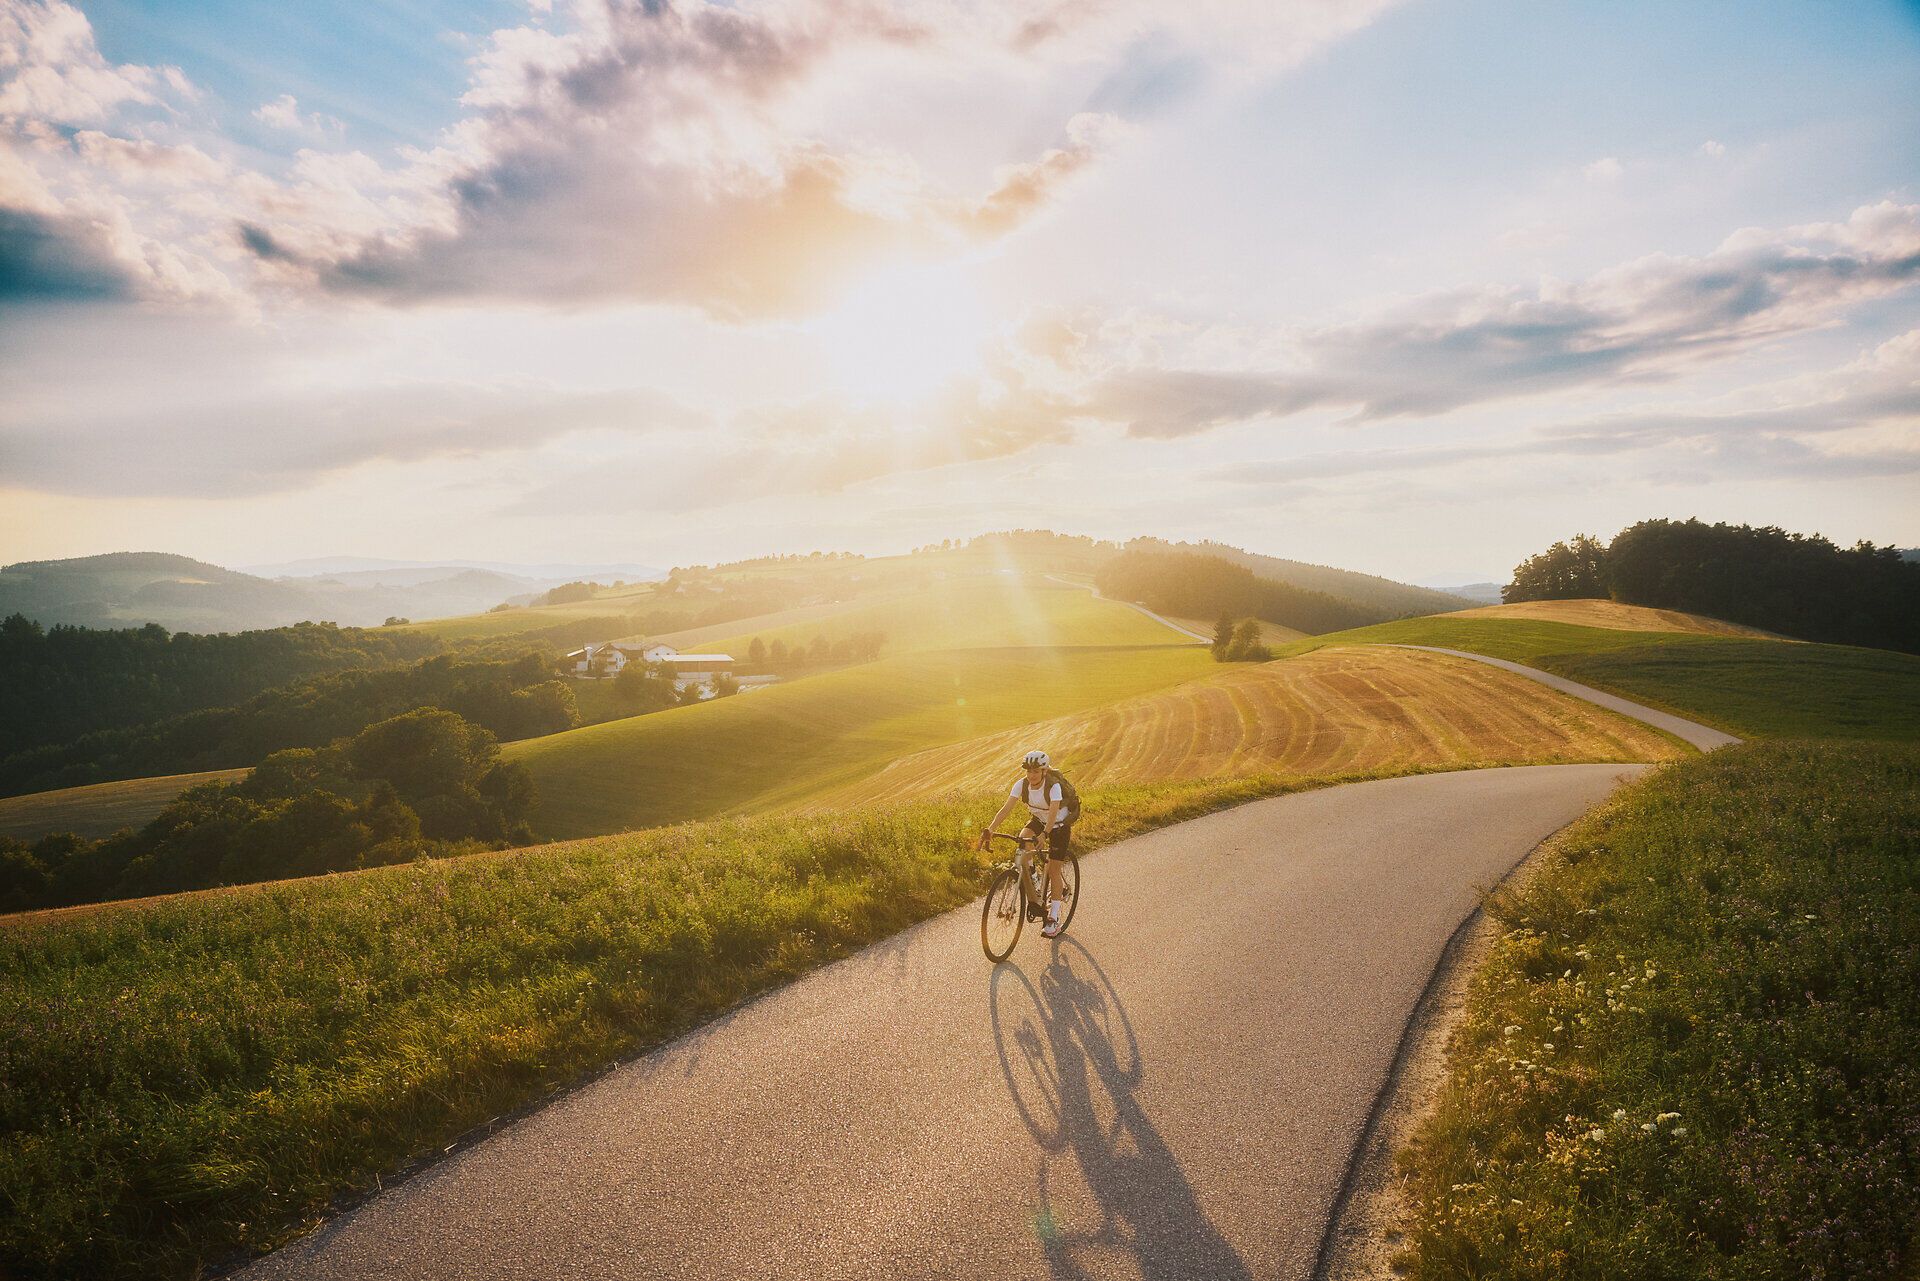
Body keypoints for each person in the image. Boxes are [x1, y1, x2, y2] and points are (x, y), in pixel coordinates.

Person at [978, 749, 1076, 938]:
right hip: (1039, 820)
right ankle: (1034, 877)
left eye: (1036, 771)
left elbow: (1054, 812)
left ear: (1044, 771)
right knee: (1023, 840)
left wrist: (1045, 834)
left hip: (1059, 825)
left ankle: (1053, 919)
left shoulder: (1053, 787)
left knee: (1054, 868)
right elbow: (1005, 809)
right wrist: (990, 829)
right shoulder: (1022, 785)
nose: (1031, 775)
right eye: (1029, 771)